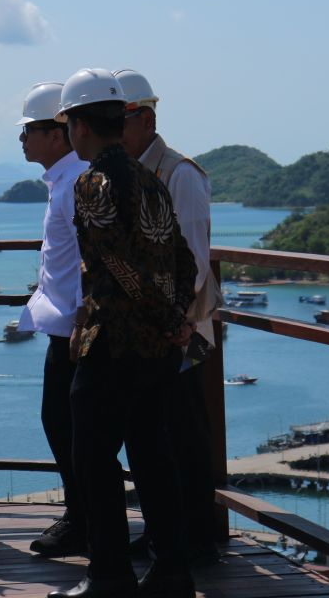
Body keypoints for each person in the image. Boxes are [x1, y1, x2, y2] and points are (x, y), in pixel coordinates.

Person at [49, 68, 197, 598]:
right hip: (157, 351)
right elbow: (182, 258)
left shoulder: (93, 182)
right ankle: (173, 570)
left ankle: (109, 574)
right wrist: (178, 317)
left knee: (91, 458)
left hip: (114, 345)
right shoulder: (151, 178)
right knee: (153, 458)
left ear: (79, 127)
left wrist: (162, 315)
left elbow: (119, 266)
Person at [115, 69, 223, 565]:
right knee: (151, 436)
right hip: (148, 331)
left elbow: (195, 263)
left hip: (178, 333)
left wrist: (169, 322)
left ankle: (198, 538)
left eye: (122, 120)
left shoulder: (180, 175)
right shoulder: (130, 173)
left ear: (147, 120)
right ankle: (162, 531)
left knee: (182, 436)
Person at [13, 82, 90, 558]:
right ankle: (82, 516)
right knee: (65, 424)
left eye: (29, 130)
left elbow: (89, 259)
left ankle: (83, 521)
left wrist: (82, 321)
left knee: (69, 426)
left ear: (58, 134)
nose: (22, 139)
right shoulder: (64, 181)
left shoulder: (75, 184)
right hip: (66, 326)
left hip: (75, 330)